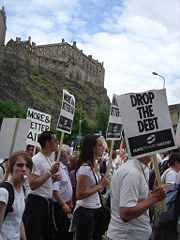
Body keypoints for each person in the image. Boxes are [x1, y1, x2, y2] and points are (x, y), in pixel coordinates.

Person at [107, 156, 166, 240]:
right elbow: (125, 214)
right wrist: (154, 197)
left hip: (135, 234)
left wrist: (153, 194)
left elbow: (137, 200)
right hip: (127, 236)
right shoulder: (132, 173)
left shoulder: (143, 168)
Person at [23, 131, 60, 240]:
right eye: (55, 140)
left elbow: (42, 180)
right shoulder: (36, 160)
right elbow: (33, 184)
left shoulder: (49, 158)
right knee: (34, 234)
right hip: (36, 203)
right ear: (48, 143)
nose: (58, 142)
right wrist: (49, 172)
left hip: (46, 203)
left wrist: (52, 179)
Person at [72, 135, 110, 240]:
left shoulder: (95, 165)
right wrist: (101, 185)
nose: (103, 147)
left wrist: (102, 184)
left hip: (95, 209)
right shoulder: (85, 169)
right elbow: (79, 194)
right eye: (100, 145)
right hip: (85, 211)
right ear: (92, 147)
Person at [0, 151, 33, 240]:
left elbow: (18, 220)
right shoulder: (4, 192)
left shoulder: (24, 190)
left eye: (27, 166)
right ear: (11, 168)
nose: (24, 169)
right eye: (19, 165)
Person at [53, 144, 73, 240]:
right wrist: (63, 204)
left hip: (65, 205)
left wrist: (69, 200)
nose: (70, 156)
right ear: (61, 156)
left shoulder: (64, 168)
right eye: (68, 154)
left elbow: (65, 187)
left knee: (66, 231)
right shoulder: (57, 169)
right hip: (58, 206)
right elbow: (55, 190)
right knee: (60, 232)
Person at [158, 152, 180, 240]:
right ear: (176, 163)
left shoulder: (169, 171)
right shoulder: (172, 173)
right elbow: (169, 192)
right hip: (168, 211)